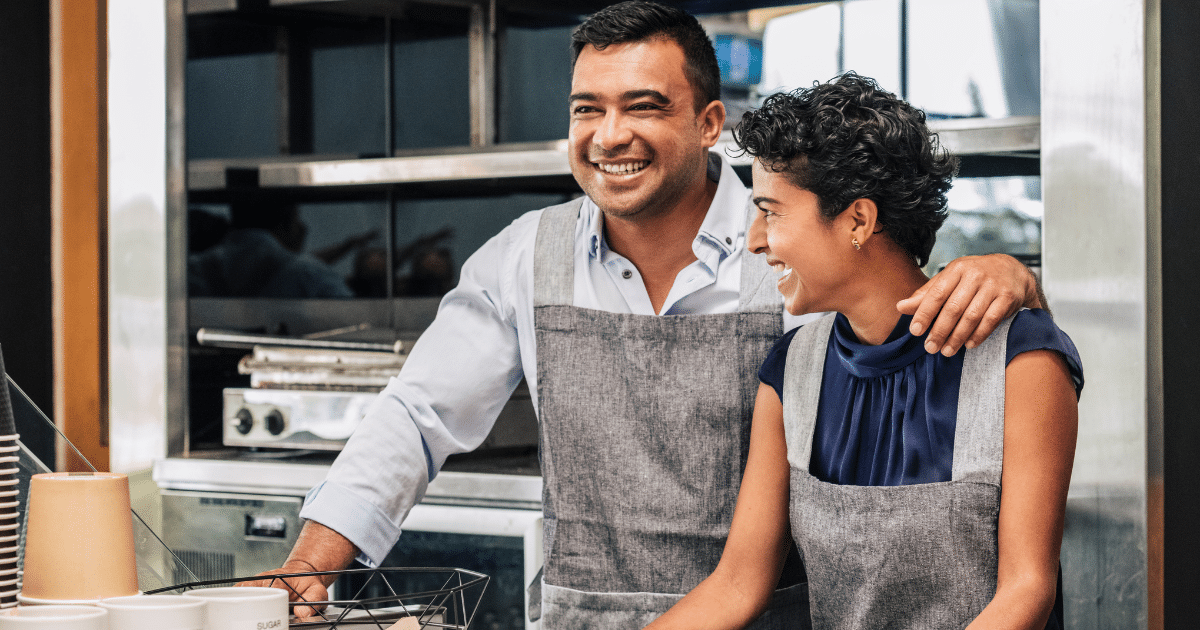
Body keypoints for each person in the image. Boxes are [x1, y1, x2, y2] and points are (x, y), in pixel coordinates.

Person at [246, 3, 1048, 628]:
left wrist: (1017, 277)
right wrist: (315, 561)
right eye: (586, 109)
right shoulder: (526, 256)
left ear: (709, 125)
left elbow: (897, 305)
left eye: (642, 106)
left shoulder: (790, 254)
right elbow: (418, 415)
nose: (610, 135)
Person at [644, 74, 1082, 630]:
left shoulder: (1021, 359)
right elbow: (736, 585)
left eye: (771, 212)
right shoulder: (791, 370)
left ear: (857, 220)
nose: (754, 239)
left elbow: (1026, 590)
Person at [188, 199, 354, 298]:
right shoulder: (310, 275)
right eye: (297, 219)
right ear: (284, 224)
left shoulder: (191, 271)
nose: (304, 228)